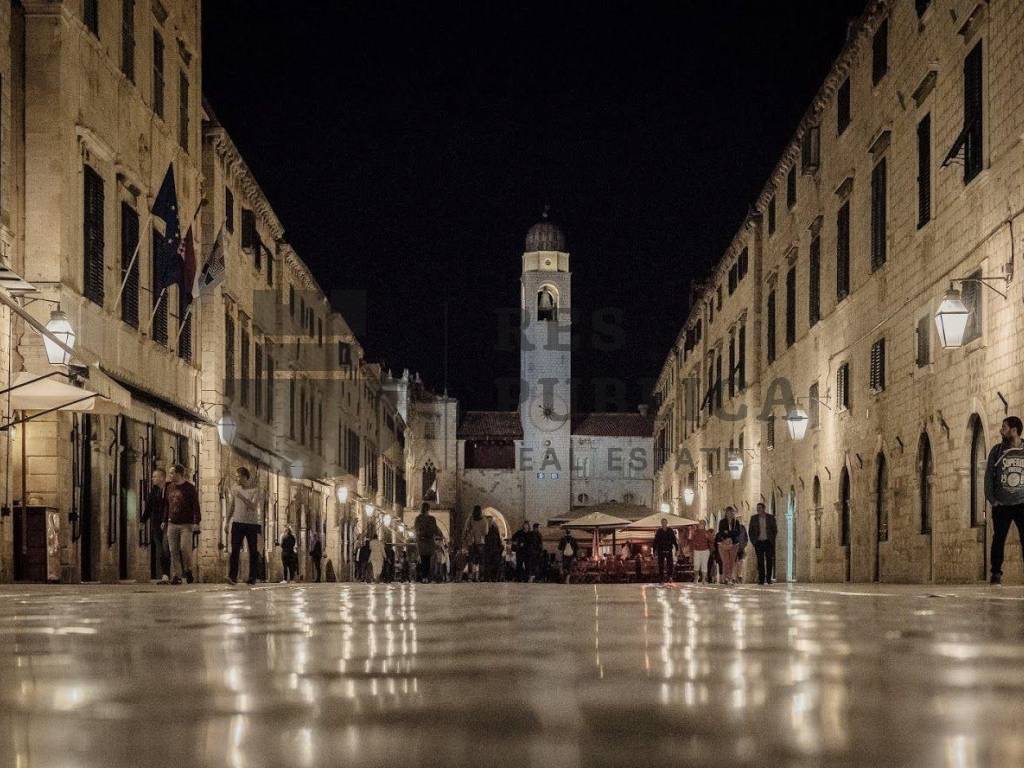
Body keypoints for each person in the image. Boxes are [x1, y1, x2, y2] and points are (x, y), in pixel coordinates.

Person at [986, 416, 1024, 585]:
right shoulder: (997, 451)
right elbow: (988, 476)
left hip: (1022, 503)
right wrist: (992, 499)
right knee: (998, 539)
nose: (1001, 431)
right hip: (1002, 504)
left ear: (1014, 430)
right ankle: (996, 574)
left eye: (1004, 428)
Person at [164, 463, 201, 585]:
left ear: (179, 474)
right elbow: (167, 505)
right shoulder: (169, 487)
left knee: (184, 548)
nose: (170, 475)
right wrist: (164, 520)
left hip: (186, 524)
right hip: (172, 523)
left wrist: (196, 522)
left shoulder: (190, 488)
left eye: (172, 473)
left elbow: (195, 505)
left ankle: (188, 569)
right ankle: (177, 575)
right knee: (173, 550)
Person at [226, 467, 263, 586]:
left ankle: (252, 577)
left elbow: (253, 506)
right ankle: (232, 577)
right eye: (236, 476)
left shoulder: (255, 490)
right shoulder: (235, 489)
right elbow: (232, 505)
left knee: (253, 550)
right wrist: (227, 521)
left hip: (251, 524)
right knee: (235, 550)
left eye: (238, 476)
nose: (236, 478)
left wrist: (241, 496)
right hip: (237, 522)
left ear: (244, 477)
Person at [140, 468, 170, 583]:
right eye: (153, 476)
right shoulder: (153, 491)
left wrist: (166, 520)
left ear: (162, 478)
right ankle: (165, 575)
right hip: (156, 524)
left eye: (155, 476)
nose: (152, 479)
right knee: (160, 549)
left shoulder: (170, 489)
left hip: (167, 524)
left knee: (166, 548)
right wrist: (143, 521)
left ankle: (167, 573)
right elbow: (148, 507)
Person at [748, 501, 778, 585]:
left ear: (764, 508)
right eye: (757, 508)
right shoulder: (753, 518)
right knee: (760, 561)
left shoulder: (770, 517)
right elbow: (750, 531)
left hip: (768, 542)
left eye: (759, 508)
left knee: (769, 560)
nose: (758, 510)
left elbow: (774, 530)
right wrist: (754, 541)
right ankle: (761, 579)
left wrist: (772, 539)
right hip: (759, 542)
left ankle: (768, 579)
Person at [414, 502, 442, 582]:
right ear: (428, 509)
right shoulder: (432, 519)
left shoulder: (418, 519)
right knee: (429, 560)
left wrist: (420, 535)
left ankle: (424, 577)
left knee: (423, 559)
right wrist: (439, 535)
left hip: (421, 542)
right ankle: (427, 577)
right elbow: (435, 530)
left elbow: (417, 530)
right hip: (429, 541)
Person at [716, 506, 742, 585]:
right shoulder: (722, 522)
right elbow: (721, 532)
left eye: (731, 512)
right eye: (728, 512)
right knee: (725, 561)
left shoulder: (736, 522)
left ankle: (730, 577)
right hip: (724, 544)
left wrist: (728, 532)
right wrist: (728, 535)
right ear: (726, 513)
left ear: (733, 513)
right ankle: (726, 578)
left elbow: (738, 532)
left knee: (731, 561)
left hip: (734, 544)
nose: (730, 514)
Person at [463, 505, 489, 582]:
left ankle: (470, 577)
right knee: (481, 560)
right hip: (480, 542)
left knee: (471, 559)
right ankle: (480, 577)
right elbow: (486, 532)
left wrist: (469, 534)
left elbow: (466, 528)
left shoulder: (470, 518)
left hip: (471, 541)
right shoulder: (484, 520)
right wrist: (480, 533)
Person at [653, 518, 679, 582]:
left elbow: (674, 540)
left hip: (668, 549)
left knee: (670, 564)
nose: (664, 524)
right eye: (663, 522)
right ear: (661, 523)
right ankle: (661, 578)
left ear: (667, 523)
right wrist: (654, 550)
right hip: (660, 550)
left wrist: (677, 549)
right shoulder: (659, 531)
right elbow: (655, 541)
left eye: (665, 522)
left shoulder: (670, 530)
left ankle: (670, 577)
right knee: (661, 564)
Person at [734, 515, 749, 584]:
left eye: (740, 519)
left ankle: (739, 575)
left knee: (740, 562)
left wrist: (744, 545)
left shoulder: (743, 528)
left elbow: (746, 538)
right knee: (734, 563)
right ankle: (734, 577)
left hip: (741, 548)